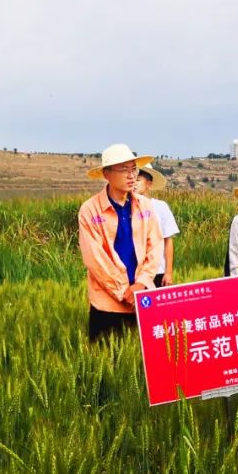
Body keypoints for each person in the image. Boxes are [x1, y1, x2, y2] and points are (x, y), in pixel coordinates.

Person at [78, 144, 163, 342]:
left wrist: (141, 283)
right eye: (124, 169)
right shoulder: (90, 210)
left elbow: (155, 246)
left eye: (134, 169)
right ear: (106, 174)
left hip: (143, 299)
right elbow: (95, 258)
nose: (131, 175)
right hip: (107, 303)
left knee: (141, 364)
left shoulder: (145, 206)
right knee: (105, 364)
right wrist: (124, 290)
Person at [134, 164, 179, 287]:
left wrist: (168, 272)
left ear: (149, 183)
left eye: (138, 180)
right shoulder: (125, 208)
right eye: (132, 180)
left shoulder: (160, 206)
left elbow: (168, 240)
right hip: (135, 273)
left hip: (158, 271)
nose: (134, 183)